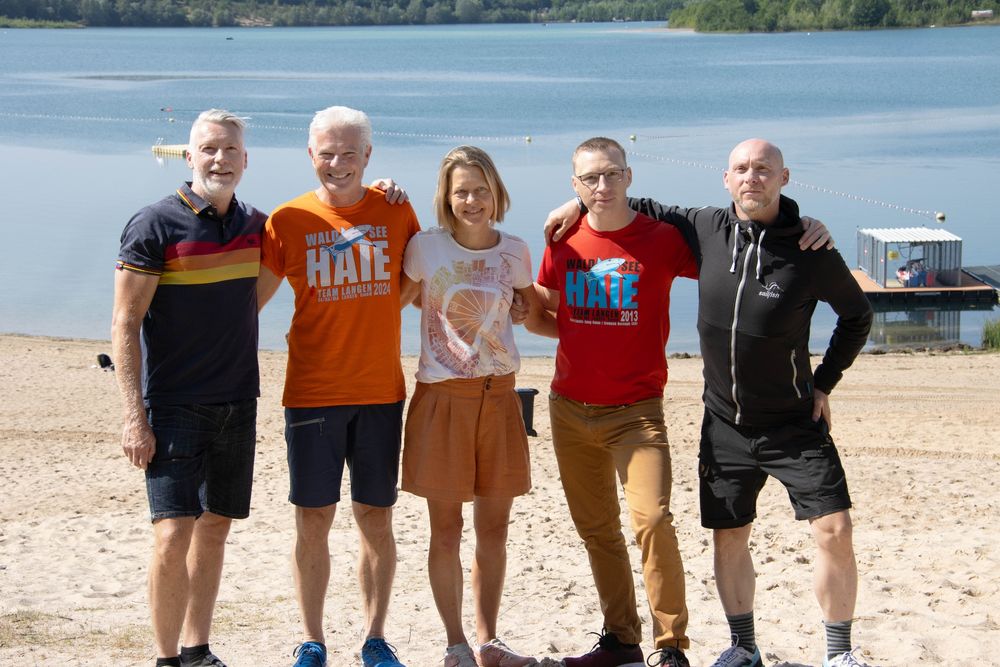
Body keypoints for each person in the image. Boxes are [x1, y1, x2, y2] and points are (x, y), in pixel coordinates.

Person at [548, 139, 875, 667]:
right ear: (726, 179)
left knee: (834, 530)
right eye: (741, 168)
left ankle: (838, 653)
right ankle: (743, 648)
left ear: (784, 177)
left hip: (793, 419)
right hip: (723, 422)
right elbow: (635, 204)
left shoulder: (809, 247)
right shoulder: (706, 228)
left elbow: (857, 315)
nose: (752, 177)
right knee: (729, 538)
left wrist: (824, 383)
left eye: (763, 169)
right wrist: (577, 202)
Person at [257, 106, 420, 667]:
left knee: (376, 518)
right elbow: (249, 304)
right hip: (311, 393)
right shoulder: (287, 220)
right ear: (310, 154)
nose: (338, 163)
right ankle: (313, 640)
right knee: (313, 520)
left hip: (380, 392)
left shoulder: (395, 210)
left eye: (350, 152)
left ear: (368, 155)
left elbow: (420, 278)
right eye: (327, 153)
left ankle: (375, 638)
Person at [527, 137, 699, 667]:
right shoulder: (563, 239)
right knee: (598, 531)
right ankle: (622, 641)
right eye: (590, 178)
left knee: (653, 521)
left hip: (637, 412)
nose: (602, 186)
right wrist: (523, 307)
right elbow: (549, 313)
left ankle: (670, 646)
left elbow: (731, 254)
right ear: (574, 184)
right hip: (569, 409)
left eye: (612, 174)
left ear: (629, 176)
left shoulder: (663, 239)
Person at [112, 109, 265, 667]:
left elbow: (265, 286)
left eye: (230, 150)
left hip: (238, 401)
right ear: (189, 155)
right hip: (174, 405)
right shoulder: (154, 224)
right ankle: (166, 658)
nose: (220, 159)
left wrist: (382, 190)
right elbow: (125, 324)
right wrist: (134, 417)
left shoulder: (257, 226)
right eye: (208, 149)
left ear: (245, 160)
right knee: (173, 533)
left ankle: (198, 651)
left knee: (216, 527)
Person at [399, 145, 544, 667]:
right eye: (461, 191)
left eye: (481, 189)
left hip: (500, 397)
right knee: (446, 530)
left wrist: (529, 309)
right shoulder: (424, 248)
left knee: (494, 529)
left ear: (496, 193)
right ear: (446, 196)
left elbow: (533, 311)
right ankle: (455, 643)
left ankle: (488, 641)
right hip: (443, 400)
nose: (472, 200)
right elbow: (391, 302)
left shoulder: (516, 251)